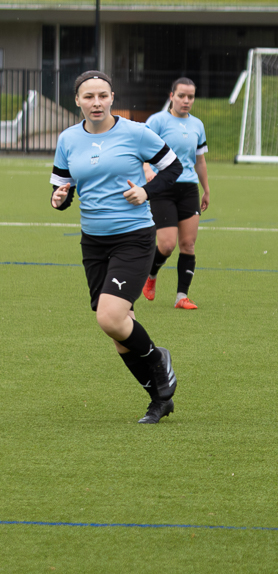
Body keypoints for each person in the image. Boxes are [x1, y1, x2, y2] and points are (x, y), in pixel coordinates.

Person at [50, 70, 182, 424]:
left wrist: (146, 191)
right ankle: (159, 400)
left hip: (134, 237)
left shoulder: (136, 132)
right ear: (77, 101)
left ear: (112, 98)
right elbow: (63, 187)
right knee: (119, 330)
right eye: (88, 97)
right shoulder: (67, 139)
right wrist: (59, 199)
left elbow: (174, 168)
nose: (96, 103)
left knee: (109, 317)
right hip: (92, 242)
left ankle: (158, 359)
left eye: (103, 96)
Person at [141, 77, 210, 310]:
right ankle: (151, 275)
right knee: (167, 245)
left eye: (190, 96)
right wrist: (148, 169)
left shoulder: (197, 125)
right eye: (181, 96)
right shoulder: (158, 121)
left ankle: (182, 296)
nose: (186, 100)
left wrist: (206, 189)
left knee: (188, 245)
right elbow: (142, 150)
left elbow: (199, 161)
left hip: (189, 188)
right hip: (163, 186)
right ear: (172, 96)